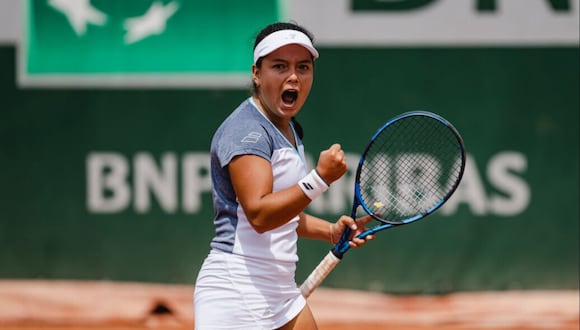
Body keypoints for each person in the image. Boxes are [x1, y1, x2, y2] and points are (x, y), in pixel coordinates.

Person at [193, 21, 375, 330]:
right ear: (256, 73)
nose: (293, 76)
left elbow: (283, 215)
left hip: (279, 291)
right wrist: (319, 179)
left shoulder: (289, 128)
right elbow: (260, 215)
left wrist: (330, 231)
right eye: (280, 66)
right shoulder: (248, 131)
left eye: (303, 67)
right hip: (237, 291)